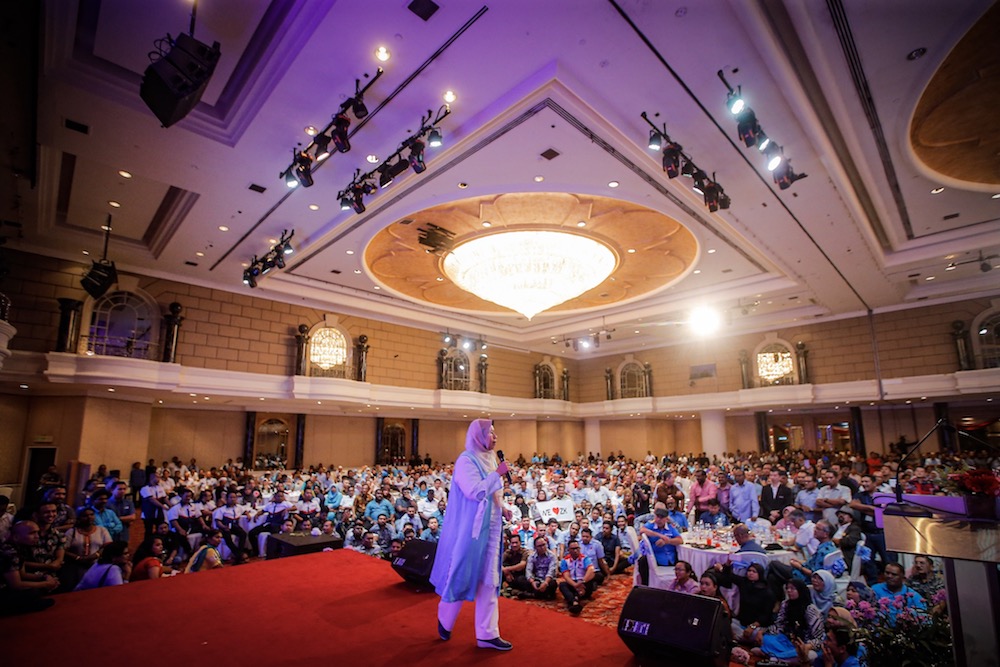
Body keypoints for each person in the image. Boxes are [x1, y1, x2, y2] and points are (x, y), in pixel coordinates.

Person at [430, 419, 513, 651]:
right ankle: (445, 619)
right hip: (472, 532)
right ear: (479, 436)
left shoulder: (490, 459)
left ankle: (487, 634)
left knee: (490, 580)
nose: (495, 438)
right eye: (491, 433)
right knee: (461, 575)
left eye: (496, 433)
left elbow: (493, 492)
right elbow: (475, 492)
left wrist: (503, 507)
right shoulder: (466, 460)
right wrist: (497, 473)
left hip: (493, 528)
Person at [751, 579, 825, 662]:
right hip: (787, 641)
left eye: (792, 588)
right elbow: (779, 625)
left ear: (800, 590)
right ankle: (780, 657)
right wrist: (761, 631)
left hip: (804, 644)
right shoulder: (786, 604)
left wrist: (807, 646)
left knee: (811, 655)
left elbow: (819, 638)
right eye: (787, 588)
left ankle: (774, 657)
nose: (789, 591)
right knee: (757, 633)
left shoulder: (811, 610)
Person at [0, 521, 59, 615]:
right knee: (33, 592)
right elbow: (16, 584)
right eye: (32, 533)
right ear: (16, 537)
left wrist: (44, 577)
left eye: (37, 532)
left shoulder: (19, 548)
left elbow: (23, 574)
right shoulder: (9, 552)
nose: (37, 536)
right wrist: (45, 584)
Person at [637, 507, 683, 585]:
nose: (659, 519)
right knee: (642, 560)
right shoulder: (650, 525)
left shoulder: (670, 528)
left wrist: (667, 541)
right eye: (657, 517)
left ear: (666, 519)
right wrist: (660, 535)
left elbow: (680, 540)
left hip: (671, 558)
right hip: (656, 558)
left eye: (662, 518)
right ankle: (645, 586)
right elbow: (642, 530)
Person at [558, 539, 596, 615]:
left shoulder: (585, 558)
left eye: (577, 548)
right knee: (562, 585)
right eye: (573, 549)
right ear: (568, 550)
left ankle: (574, 600)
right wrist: (575, 585)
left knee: (591, 580)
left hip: (583, 583)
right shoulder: (565, 561)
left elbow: (591, 570)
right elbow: (566, 576)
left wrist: (582, 582)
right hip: (572, 584)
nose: (575, 551)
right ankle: (574, 601)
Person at [524, 535, 558, 600]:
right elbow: (528, 571)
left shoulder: (552, 556)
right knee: (522, 579)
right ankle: (541, 595)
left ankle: (533, 594)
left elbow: (551, 572)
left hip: (547, 580)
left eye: (544, 545)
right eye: (539, 546)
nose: (542, 547)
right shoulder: (532, 556)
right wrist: (532, 582)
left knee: (553, 584)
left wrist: (545, 582)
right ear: (535, 547)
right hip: (536, 580)